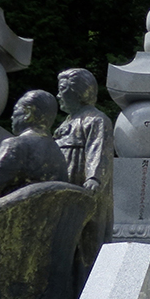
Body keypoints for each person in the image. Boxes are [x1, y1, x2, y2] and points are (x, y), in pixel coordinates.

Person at [54, 68, 114, 278]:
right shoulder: (66, 123)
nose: (58, 95)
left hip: (85, 190)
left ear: (78, 92)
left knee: (87, 243)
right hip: (64, 189)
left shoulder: (96, 120)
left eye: (63, 90)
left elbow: (99, 152)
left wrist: (94, 179)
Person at [0, 90, 68, 201]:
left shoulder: (17, 144)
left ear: (28, 113)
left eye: (15, 110)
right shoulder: (59, 154)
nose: (12, 117)